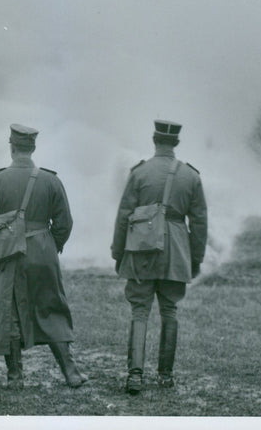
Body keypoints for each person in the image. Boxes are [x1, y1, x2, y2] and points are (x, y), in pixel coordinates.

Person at [0, 124, 87, 389]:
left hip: (8, 255)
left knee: (9, 312)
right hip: (43, 252)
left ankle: (15, 378)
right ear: (33, 148)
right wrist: (49, 245)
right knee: (52, 309)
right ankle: (71, 373)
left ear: (11, 147)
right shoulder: (51, 181)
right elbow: (64, 223)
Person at [111, 119, 207, 394]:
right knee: (170, 310)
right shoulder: (191, 176)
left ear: (155, 141)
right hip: (176, 251)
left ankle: (135, 376)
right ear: (175, 143)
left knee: (139, 311)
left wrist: (119, 252)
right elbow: (199, 223)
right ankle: (165, 376)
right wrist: (195, 258)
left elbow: (123, 216)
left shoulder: (139, 173)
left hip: (140, 250)